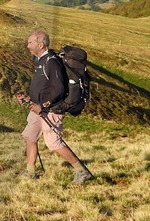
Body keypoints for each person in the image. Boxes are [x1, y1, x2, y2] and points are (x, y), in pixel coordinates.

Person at [12, 29, 93, 185]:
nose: (27, 45)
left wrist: (43, 105)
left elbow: (59, 89)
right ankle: (30, 173)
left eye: (30, 42)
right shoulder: (41, 61)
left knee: (53, 143)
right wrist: (30, 99)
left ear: (41, 44)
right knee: (30, 137)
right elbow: (44, 87)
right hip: (38, 109)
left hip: (51, 110)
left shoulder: (51, 62)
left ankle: (82, 171)